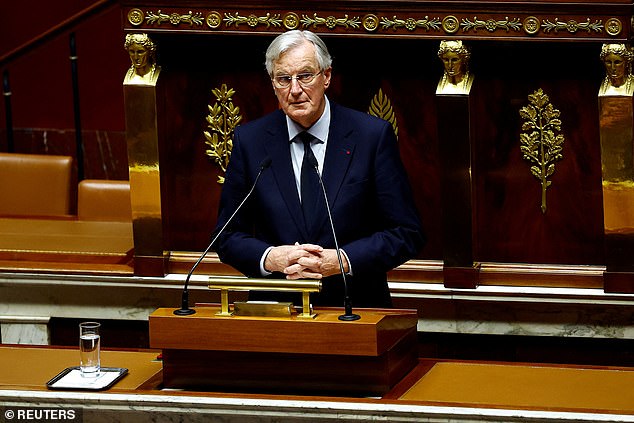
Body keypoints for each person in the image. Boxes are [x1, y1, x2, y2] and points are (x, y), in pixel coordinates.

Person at [214, 30, 424, 308]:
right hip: (276, 310)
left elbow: (406, 233)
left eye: (305, 76)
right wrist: (271, 257)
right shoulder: (250, 141)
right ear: (273, 84)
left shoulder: (371, 137)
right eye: (284, 79)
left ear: (326, 77)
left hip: (355, 307)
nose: (295, 90)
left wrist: (343, 260)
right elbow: (226, 237)